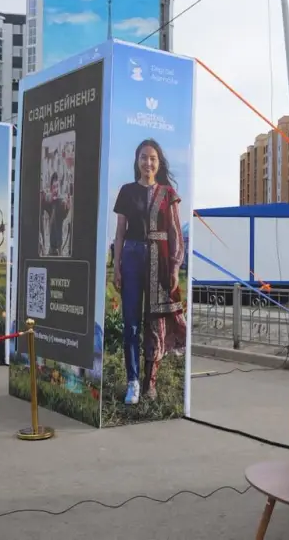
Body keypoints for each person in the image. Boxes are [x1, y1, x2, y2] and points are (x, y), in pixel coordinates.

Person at [111, 139, 187, 405]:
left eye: (153, 158)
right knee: (131, 323)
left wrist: (175, 267)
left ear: (159, 162)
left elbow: (175, 232)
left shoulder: (168, 194)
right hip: (132, 256)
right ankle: (132, 381)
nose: (148, 163)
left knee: (155, 322)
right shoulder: (127, 191)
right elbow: (119, 233)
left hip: (159, 260)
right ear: (137, 161)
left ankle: (150, 383)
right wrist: (116, 266)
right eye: (143, 157)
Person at [41, 171, 72, 256]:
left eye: (57, 186)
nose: (56, 190)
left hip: (60, 247)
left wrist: (67, 206)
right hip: (51, 247)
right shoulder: (49, 202)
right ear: (51, 188)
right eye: (54, 187)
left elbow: (65, 213)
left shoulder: (60, 202)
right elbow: (43, 203)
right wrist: (47, 197)